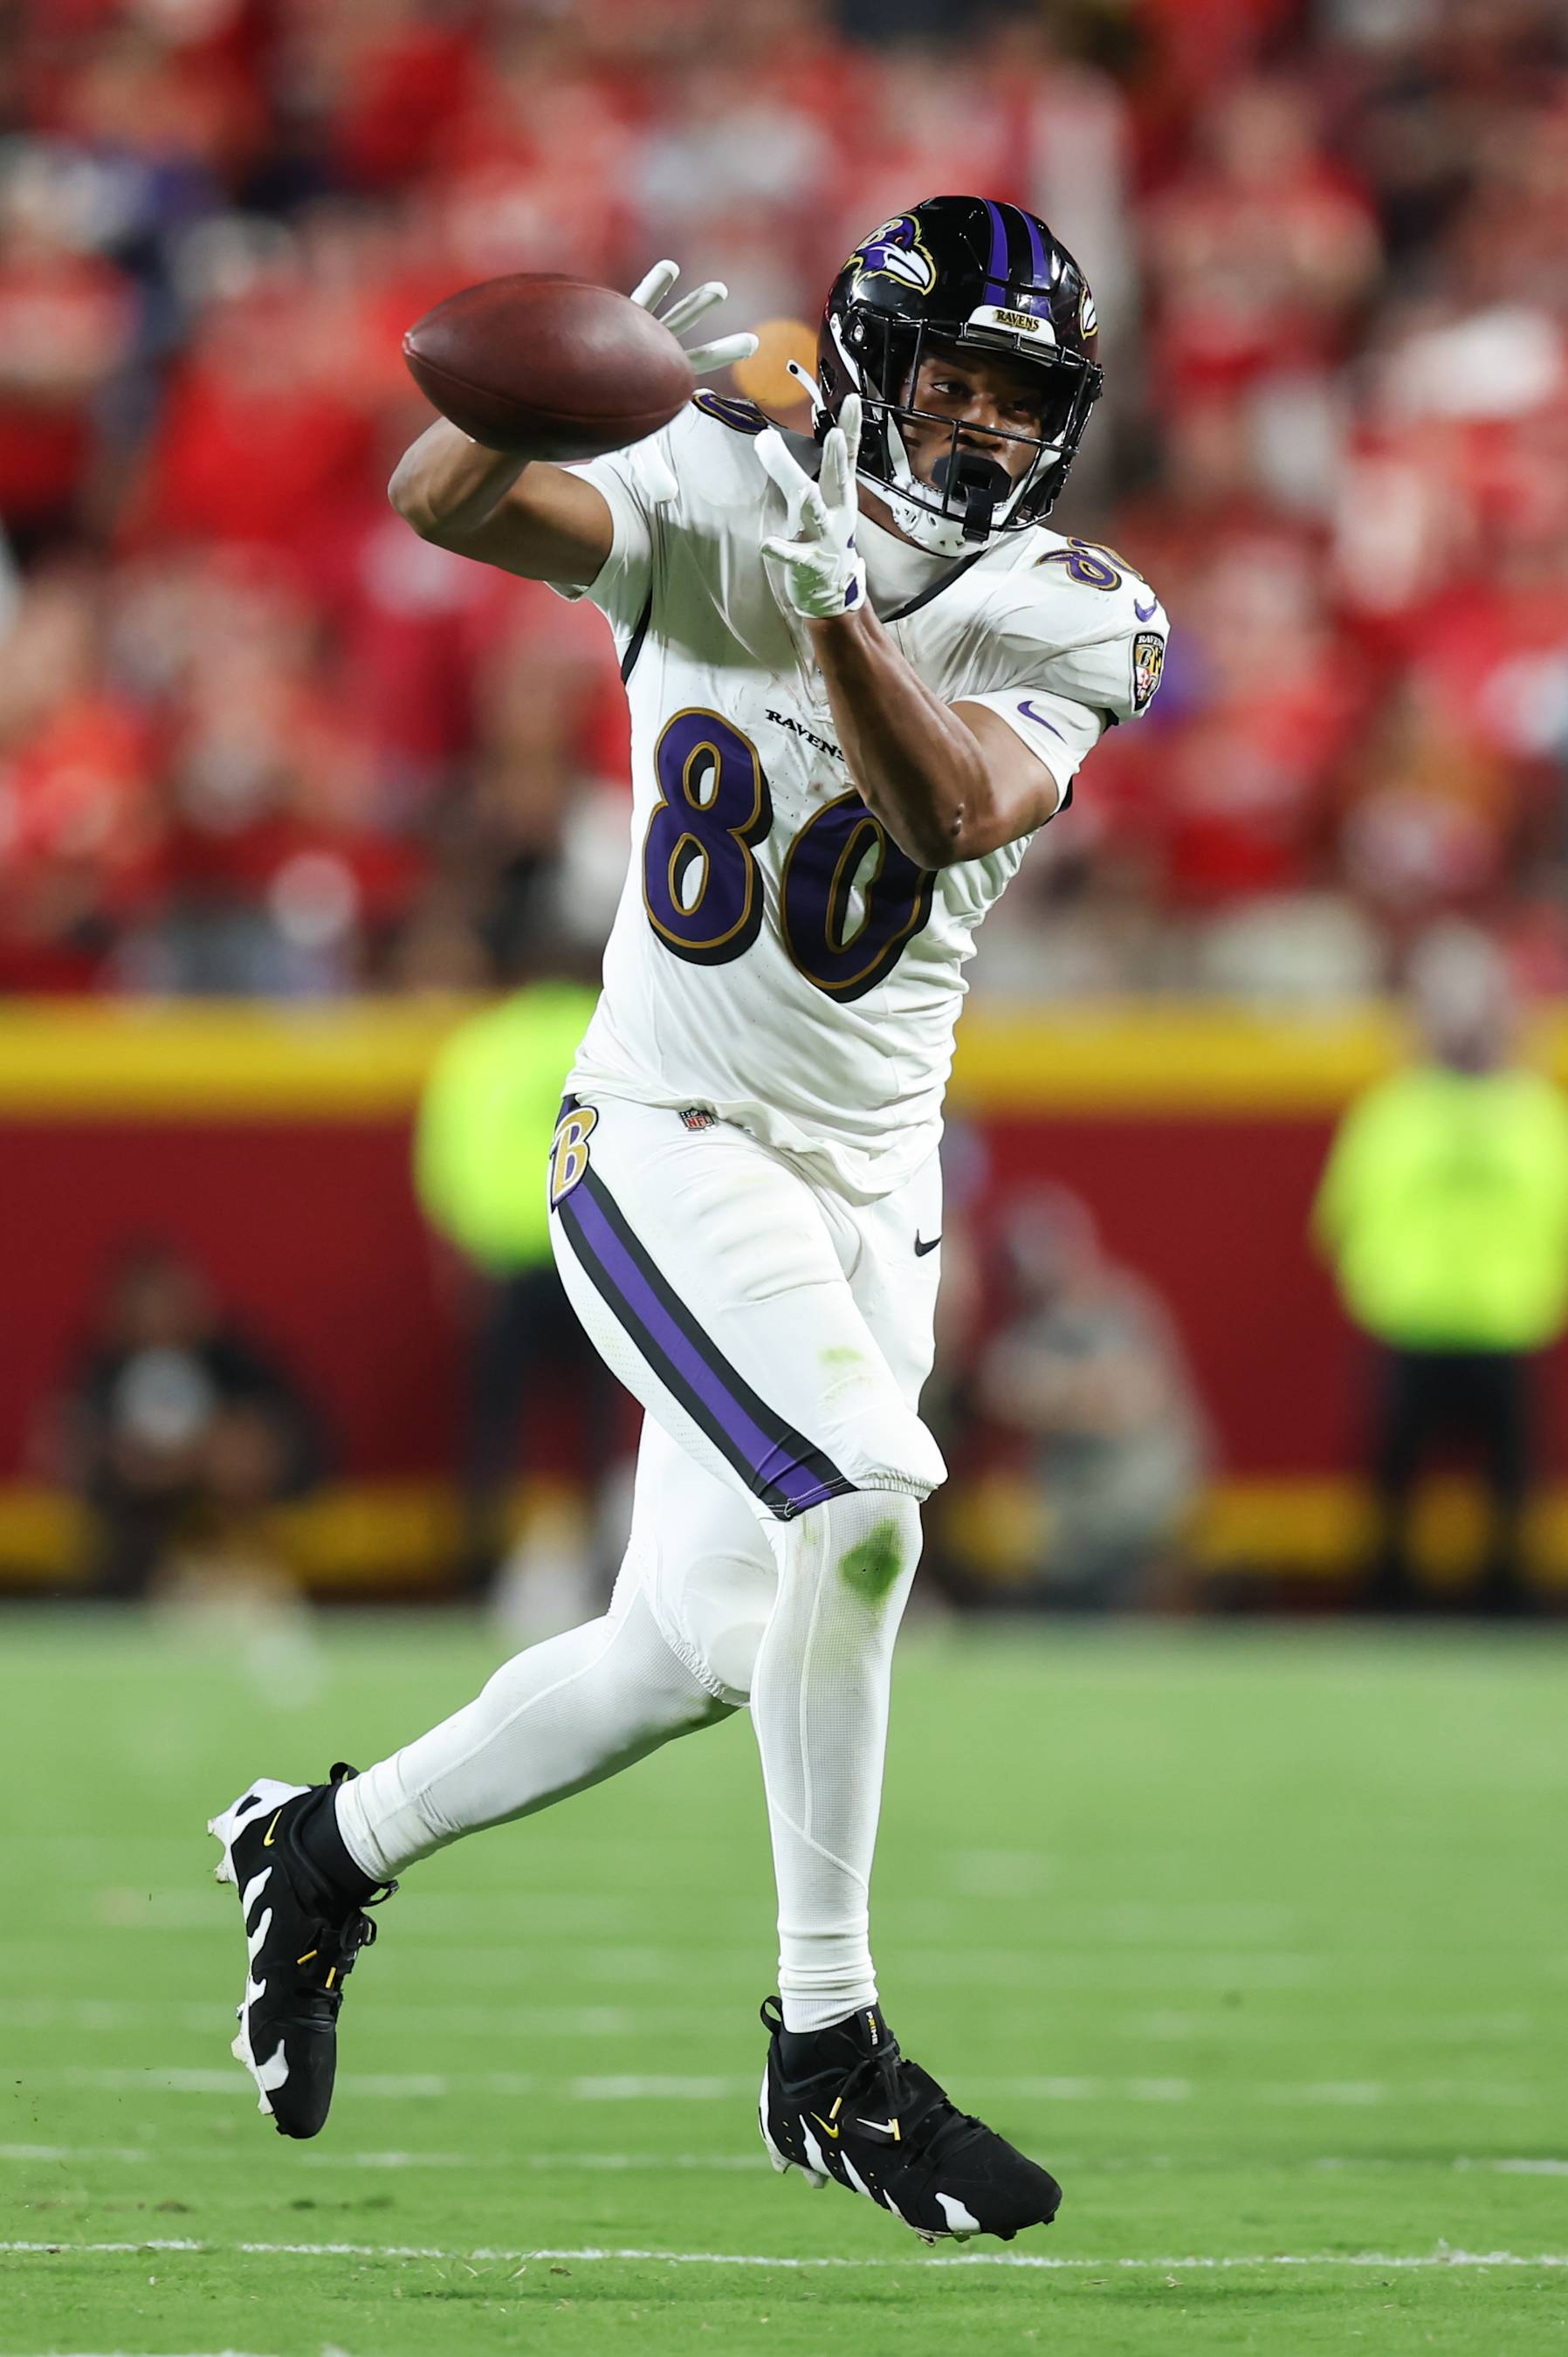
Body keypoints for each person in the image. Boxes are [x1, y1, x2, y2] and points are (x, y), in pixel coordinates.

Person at [208, 198, 1168, 2244]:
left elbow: (945, 811)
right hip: (662, 1123)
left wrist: (835, 610)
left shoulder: (1074, 607)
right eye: (960, 377)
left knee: (690, 1645)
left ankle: (326, 1842)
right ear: (873, 357)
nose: (989, 425)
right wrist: (536, 394)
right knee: (867, 1499)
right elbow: (444, 502)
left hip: (863, 1182)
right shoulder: (715, 477)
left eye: (1027, 394)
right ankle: (829, 2046)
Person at [1313, 926, 1568, 1613]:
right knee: (1394, 1481)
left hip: (1504, 1323)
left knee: (1510, 1487)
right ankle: (1388, 1596)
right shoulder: (1395, 1111)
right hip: (1412, 1321)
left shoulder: (1536, 1113)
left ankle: (1508, 1599)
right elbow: (1343, 1218)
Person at [413, 952, 614, 1607]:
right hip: (598, 1259)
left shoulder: (481, 1042)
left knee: (493, 1429)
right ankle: (610, 1565)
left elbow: (447, 1157)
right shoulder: (607, 1026)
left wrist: (462, 1252)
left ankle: (477, 1570)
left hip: (504, 1263)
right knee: (604, 1428)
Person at [976, 1187, 1207, 1609]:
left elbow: (1130, 1399)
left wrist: (1058, 1391)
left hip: (1138, 1498)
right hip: (1064, 1511)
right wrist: (1078, 1390)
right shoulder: (1026, 1326)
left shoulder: (1121, 1309)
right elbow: (1003, 1390)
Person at [55, 1240, 326, 1598]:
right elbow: (73, 1459)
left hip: (247, 1551)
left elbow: (297, 1445)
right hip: (133, 1560)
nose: (158, 1320)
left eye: (169, 1304)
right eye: (143, 1308)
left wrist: (232, 1453)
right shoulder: (101, 1374)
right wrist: (128, 1466)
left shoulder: (237, 1365)